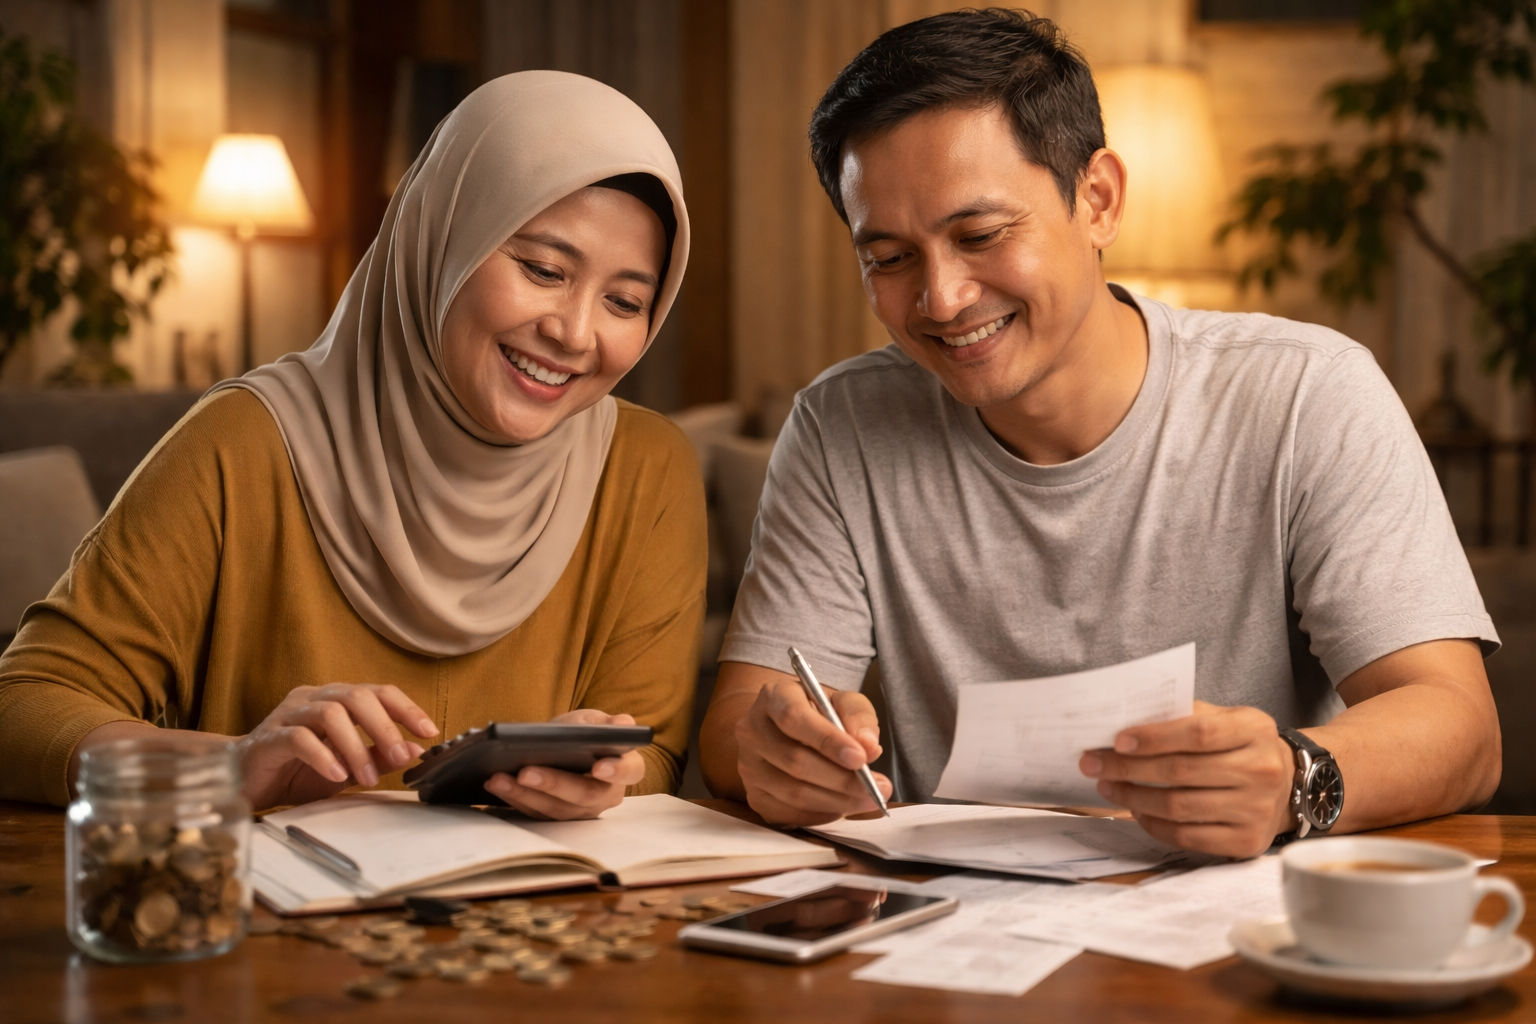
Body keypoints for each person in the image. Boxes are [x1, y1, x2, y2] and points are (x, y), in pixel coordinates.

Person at [699, 9, 1502, 858]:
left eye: (980, 235)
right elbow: (737, 724)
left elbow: (1461, 727)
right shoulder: (842, 425)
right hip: (956, 918)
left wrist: (1292, 781)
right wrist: (776, 755)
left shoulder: (1307, 392)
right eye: (889, 258)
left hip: (1241, 907)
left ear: (1098, 200)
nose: (941, 299)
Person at [0, 71, 705, 820]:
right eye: (543, 270)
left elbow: (653, 755)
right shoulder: (244, 442)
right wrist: (226, 768)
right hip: (267, 894)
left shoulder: (647, 469)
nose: (575, 332)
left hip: (539, 897)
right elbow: (26, 705)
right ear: (441, 239)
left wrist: (598, 777)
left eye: (624, 301)